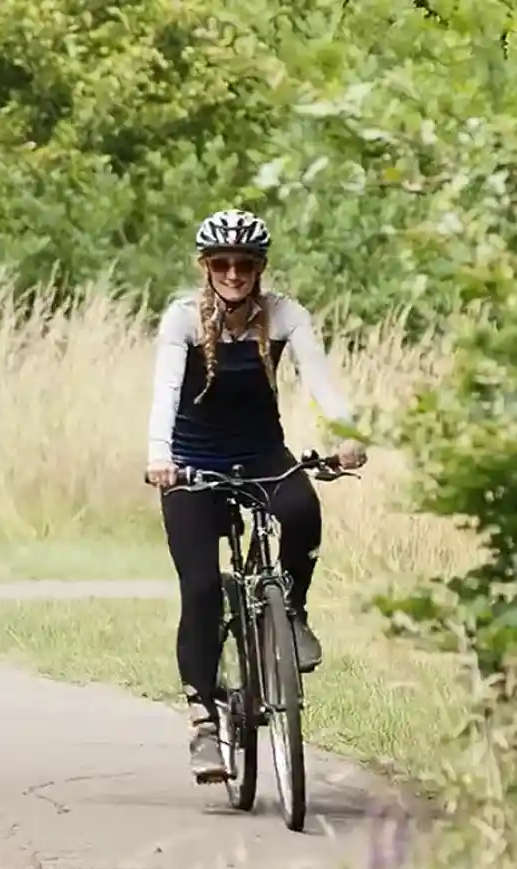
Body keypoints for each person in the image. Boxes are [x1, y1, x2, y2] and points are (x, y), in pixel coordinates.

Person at [145, 209, 368, 782]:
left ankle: (289, 608)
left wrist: (348, 437)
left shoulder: (284, 315)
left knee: (301, 511)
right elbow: (165, 392)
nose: (234, 273)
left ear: (260, 268)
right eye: (222, 263)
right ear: (207, 268)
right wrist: (159, 457)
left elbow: (321, 382)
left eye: (245, 264)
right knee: (199, 588)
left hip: (263, 456)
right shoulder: (183, 320)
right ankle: (201, 718)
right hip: (192, 465)